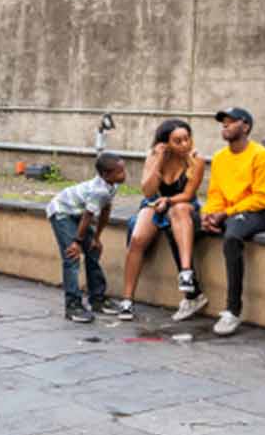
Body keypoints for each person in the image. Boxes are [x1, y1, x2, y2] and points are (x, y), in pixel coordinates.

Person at [180, 107, 265, 331]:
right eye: (223, 122)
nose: (225, 125)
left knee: (232, 237)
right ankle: (192, 294)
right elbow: (215, 193)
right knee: (181, 226)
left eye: (231, 121)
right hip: (226, 212)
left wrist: (226, 213)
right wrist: (208, 216)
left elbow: (264, 198)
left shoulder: (262, 156)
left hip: (256, 213)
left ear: (245, 126)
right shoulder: (220, 158)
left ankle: (233, 310)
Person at [118, 119, 206, 319]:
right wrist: (158, 160)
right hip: (155, 202)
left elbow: (187, 194)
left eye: (187, 139)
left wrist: (168, 200)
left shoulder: (196, 159)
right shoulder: (154, 157)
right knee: (138, 238)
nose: (185, 145)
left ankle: (186, 272)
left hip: (182, 204)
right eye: (178, 141)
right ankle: (127, 300)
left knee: (179, 210)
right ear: (165, 143)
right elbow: (148, 191)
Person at [47, 153, 128, 322]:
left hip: (77, 213)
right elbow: (88, 216)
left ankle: (97, 299)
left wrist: (96, 238)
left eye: (123, 170)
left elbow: (105, 212)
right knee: (72, 256)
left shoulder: (111, 186)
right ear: (106, 174)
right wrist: (77, 242)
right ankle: (72, 305)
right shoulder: (99, 191)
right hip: (62, 212)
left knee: (92, 251)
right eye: (120, 172)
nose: (124, 174)